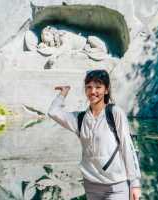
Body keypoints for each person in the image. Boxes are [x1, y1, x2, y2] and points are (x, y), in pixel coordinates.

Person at [47, 69, 141, 200]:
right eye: (89, 87)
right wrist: (63, 93)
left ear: (106, 90)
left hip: (116, 186)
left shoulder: (114, 113)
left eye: (98, 87)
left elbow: (127, 147)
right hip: (91, 185)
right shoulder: (79, 119)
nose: (93, 91)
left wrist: (135, 183)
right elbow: (53, 112)